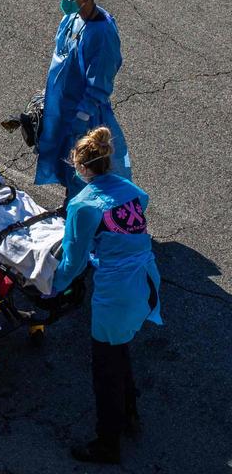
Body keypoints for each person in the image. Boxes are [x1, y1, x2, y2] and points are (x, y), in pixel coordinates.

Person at [50, 126, 161, 465]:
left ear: (81, 167)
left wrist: (52, 287)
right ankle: (130, 414)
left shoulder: (83, 205)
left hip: (116, 293)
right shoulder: (129, 189)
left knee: (105, 369)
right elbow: (138, 209)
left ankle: (107, 442)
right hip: (144, 280)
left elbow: (74, 259)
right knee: (119, 351)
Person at [35, 0, 131, 200]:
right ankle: (71, 203)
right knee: (67, 164)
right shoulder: (72, 18)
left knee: (87, 169)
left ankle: (85, 214)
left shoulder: (102, 33)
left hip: (84, 113)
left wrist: (82, 116)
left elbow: (101, 80)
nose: (64, 2)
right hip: (62, 106)